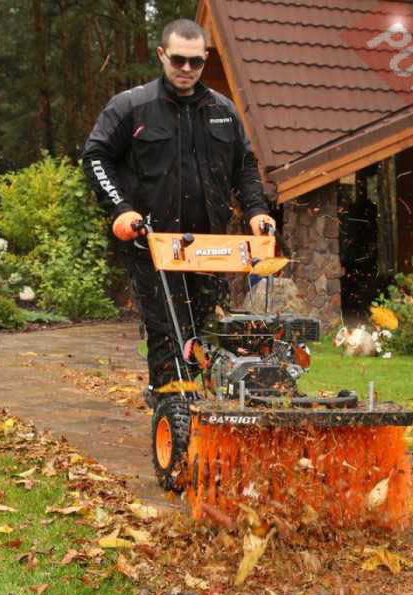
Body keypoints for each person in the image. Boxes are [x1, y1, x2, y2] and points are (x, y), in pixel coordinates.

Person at [82, 18, 275, 405]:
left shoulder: (223, 110)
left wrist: (256, 210)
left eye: (195, 61)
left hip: (209, 244)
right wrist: (120, 209)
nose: (186, 68)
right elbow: (95, 156)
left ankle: (200, 402)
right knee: (167, 328)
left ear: (204, 60)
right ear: (161, 55)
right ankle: (170, 404)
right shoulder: (131, 106)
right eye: (178, 60)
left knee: (207, 326)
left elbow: (245, 167)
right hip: (152, 241)